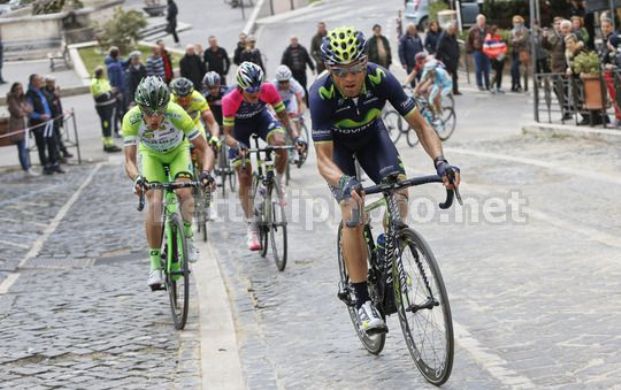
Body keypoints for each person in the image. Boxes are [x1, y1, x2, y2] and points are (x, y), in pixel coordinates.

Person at [309, 26, 460, 333]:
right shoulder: (321, 94)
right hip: (337, 150)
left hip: (372, 139)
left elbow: (420, 125)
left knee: (400, 190)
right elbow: (323, 160)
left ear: (366, 64)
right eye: (341, 71)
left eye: (356, 69)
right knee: (353, 212)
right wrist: (344, 183)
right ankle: (362, 297)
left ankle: (386, 247)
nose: (350, 78)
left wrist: (441, 161)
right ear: (329, 69)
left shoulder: (380, 79)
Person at [122, 76, 215, 289]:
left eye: (159, 112)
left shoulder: (177, 113)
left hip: (177, 152)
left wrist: (207, 172)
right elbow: (128, 159)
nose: (154, 118)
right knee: (155, 203)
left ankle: (188, 236)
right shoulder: (131, 119)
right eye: (149, 113)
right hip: (152, 155)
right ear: (140, 108)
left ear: (166, 106)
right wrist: (137, 178)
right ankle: (155, 265)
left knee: (184, 192)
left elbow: (204, 147)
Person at [222, 62, 306, 250]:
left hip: (261, 120)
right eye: (251, 94)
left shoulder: (268, 89)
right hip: (238, 130)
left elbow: (284, 118)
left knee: (280, 144)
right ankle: (252, 225)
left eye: (258, 92)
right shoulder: (230, 99)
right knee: (244, 176)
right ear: (240, 88)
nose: (255, 96)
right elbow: (225, 135)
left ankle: (278, 180)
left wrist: (297, 137)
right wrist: (237, 145)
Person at [170, 77, 220, 148]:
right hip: (177, 128)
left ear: (191, 94)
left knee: (204, 148)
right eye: (180, 99)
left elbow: (212, 123)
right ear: (174, 96)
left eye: (187, 98)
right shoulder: (170, 102)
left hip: (195, 125)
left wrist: (215, 137)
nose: (184, 102)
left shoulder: (198, 99)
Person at [27, 74, 62, 175]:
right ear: (33, 82)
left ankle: (54, 163)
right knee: (42, 145)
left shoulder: (42, 91)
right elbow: (30, 112)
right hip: (39, 124)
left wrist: (55, 96)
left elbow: (50, 102)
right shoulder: (30, 95)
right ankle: (46, 166)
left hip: (49, 122)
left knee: (53, 143)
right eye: (39, 80)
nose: (42, 81)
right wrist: (40, 116)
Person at [414, 58, 453, 127]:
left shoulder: (439, 73)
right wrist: (415, 91)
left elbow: (440, 87)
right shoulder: (428, 72)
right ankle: (434, 113)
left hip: (446, 85)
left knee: (435, 99)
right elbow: (421, 82)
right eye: (428, 72)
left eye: (430, 72)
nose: (428, 73)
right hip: (438, 84)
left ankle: (438, 117)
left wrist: (437, 97)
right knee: (429, 95)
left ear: (433, 70)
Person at [90, 66, 121, 153]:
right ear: (100, 73)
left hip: (109, 107)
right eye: (104, 73)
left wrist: (111, 92)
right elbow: (100, 96)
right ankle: (109, 145)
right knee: (106, 126)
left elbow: (108, 90)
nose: (105, 74)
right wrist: (111, 93)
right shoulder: (95, 83)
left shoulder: (103, 80)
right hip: (103, 108)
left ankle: (108, 144)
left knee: (108, 125)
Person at [7, 82, 36, 176]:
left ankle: (28, 165)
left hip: (25, 126)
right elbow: (18, 112)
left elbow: (30, 108)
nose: (20, 91)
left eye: (21, 88)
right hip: (17, 127)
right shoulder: (12, 99)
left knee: (26, 147)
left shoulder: (23, 98)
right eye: (18, 89)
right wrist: (24, 110)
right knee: (22, 148)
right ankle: (26, 168)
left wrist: (25, 109)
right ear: (14, 90)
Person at [271, 65, 306, 139]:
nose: (284, 85)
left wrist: (299, 114)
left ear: (289, 80)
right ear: (277, 81)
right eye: (281, 82)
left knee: (297, 120)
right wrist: (274, 115)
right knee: (276, 120)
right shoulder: (273, 86)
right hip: (277, 104)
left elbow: (300, 102)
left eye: (286, 82)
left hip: (290, 103)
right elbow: (268, 104)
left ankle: (297, 139)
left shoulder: (295, 85)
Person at [598, 13, 621, 125]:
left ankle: (619, 117)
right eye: (603, 26)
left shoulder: (614, 38)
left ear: (612, 27)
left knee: (617, 96)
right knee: (613, 96)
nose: (605, 29)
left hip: (615, 72)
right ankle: (618, 116)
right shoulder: (604, 39)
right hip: (608, 73)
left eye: (607, 26)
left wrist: (612, 64)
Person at [43, 76, 73, 161]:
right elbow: (51, 103)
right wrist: (55, 96)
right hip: (51, 117)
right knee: (55, 138)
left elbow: (58, 104)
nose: (53, 84)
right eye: (51, 82)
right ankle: (59, 154)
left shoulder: (54, 91)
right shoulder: (46, 92)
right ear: (47, 82)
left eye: (53, 82)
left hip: (57, 116)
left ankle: (63, 151)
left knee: (58, 136)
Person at [281, 35, 315, 104]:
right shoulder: (287, 51)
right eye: (292, 40)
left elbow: (308, 59)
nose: (294, 42)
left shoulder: (302, 49)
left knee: (303, 87)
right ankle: (297, 102)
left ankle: (308, 103)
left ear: (297, 41)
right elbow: (283, 63)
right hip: (292, 73)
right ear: (290, 41)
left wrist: (312, 68)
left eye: (295, 40)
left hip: (302, 72)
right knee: (293, 88)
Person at [436, 21, 461, 95]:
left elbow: (456, 46)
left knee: (455, 76)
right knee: (446, 77)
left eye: (453, 30)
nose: (453, 31)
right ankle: (446, 90)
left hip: (453, 59)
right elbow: (439, 49)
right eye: (451, 30)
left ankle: (455, 90)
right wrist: (444, 58)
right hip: (446, 60)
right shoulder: (443, 37)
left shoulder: (453, 36)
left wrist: (457, 54)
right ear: (448, 29)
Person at [467, 14, 491, 91]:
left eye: (483, 20)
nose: (481, 21)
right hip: (477, 50)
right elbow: (469, 40)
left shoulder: (488, 28)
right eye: (480, 20)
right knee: (479, 68)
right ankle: (479, 84)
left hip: (487, 51)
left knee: (487, 68)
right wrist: (471, 50)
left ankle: (488, 84)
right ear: (477, 21)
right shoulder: (473, 29)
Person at [483, 25, 508, 94]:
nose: (499, 32)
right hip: (493, 58)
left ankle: (498, 87)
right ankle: (491, 86)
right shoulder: (488, 38)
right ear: (493, 31)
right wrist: (495, 53)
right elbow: (485, 49)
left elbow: (504, 46)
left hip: (500, 57)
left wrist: (502, 52)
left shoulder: (500, 38)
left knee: (500, 72)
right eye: (497, 31)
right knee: (494, 73)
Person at [510, 16, 530, 92]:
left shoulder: (525, 30)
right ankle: (516, 84)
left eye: (518, 22)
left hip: (522, 52)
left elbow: (523, 39)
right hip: (514, 52)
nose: (516, 24)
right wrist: (515, 41)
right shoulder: (512, 31)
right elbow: (510, 40)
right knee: (513, 69)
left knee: (516, 68)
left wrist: (515, 40)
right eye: (515, 22)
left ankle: (520, 85)